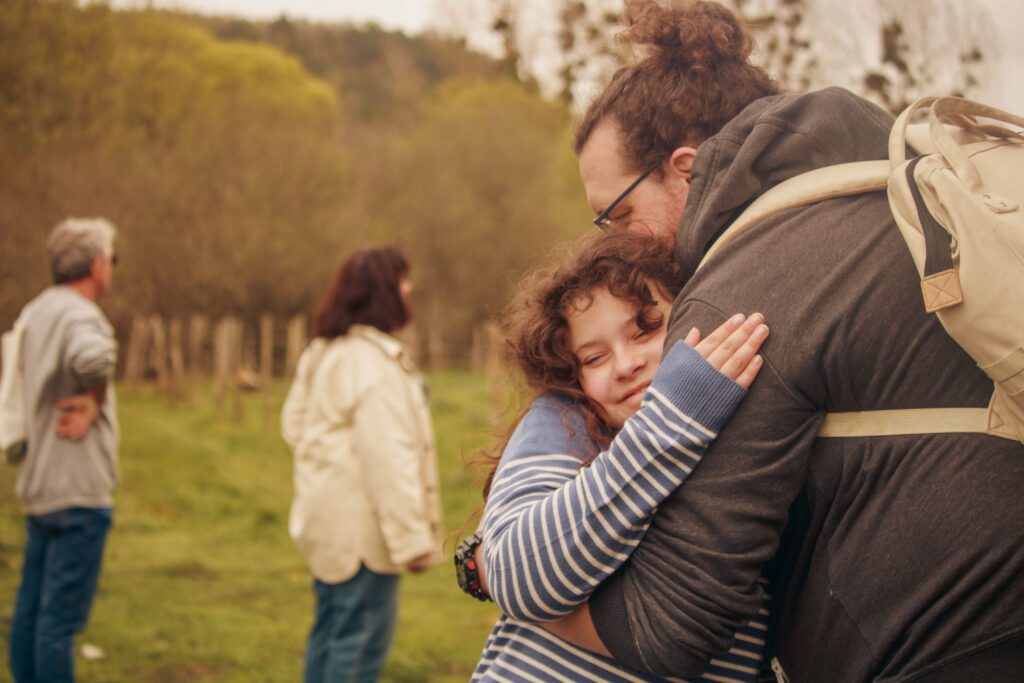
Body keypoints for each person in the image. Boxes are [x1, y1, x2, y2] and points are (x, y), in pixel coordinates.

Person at [561, 1, 1024, 681]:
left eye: (619, 214)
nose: (618, 245)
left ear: (685, 168)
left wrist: (517, 588)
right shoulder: (902, 205)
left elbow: (669, 623)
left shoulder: (743, 289)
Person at [462, 231, 771, 681]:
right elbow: (514, 577)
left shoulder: (758, 436)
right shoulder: (566, 424)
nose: (626, 365)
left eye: (646, 330)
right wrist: (671, 423)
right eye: (593, 358)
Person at [281, 246, 442, 683]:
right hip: (364, 540)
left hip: (327, 529)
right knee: (358, 647)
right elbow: (388, 459)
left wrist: (332, 463)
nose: (410, 292)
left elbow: (294, 426)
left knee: (331, 633)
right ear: (386, 292)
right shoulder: (372, 366)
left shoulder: (325, 352)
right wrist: (411, 541)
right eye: (404, 284)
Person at [8, 217, 120, 683]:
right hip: (77, 488)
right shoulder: (80, 314)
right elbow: (95, 359)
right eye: (113, 259)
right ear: (96, 266)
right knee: (58, 624)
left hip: (39, 484)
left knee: (31, 612)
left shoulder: (35, 312)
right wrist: (96, 399)